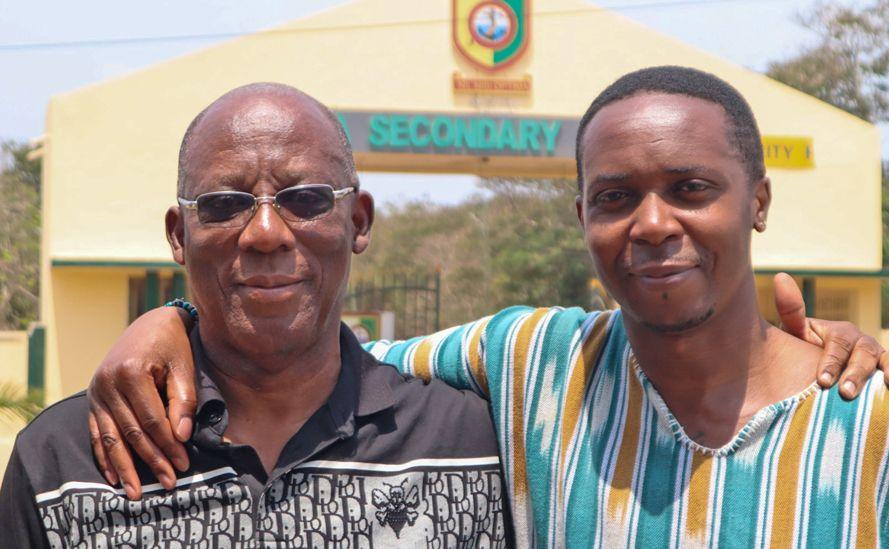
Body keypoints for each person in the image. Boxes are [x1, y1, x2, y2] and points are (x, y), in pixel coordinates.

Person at [86, 69, 889, 546]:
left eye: (691, 188)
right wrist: (178, 321)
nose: (654, 223)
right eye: (615, 196)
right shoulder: (535, 362)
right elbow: (315, 355)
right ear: (582, 220)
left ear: (758, 201)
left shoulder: (886, 430)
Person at [0, 84, 511, 547]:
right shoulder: (64, 467)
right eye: (224, 204)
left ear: (357, 221)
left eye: (306, 199)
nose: (265, 232)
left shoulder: (470, 445)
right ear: (179, 235)